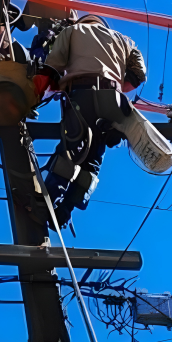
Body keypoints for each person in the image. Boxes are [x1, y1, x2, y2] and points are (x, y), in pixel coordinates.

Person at [40, 14, 147, 229]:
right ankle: (65, 211)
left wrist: (40, 93)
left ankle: (48, 200)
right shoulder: (123, 41)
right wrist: (115, 84)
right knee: (93, 160)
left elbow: (53, 65)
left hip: (82, 92)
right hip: (113, 100)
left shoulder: (72, 31)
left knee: (73, 148)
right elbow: (139, 74)